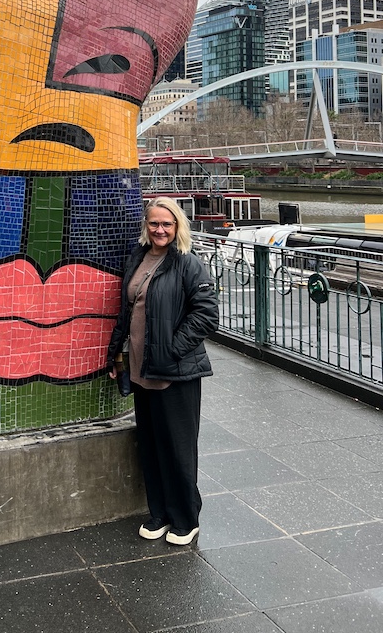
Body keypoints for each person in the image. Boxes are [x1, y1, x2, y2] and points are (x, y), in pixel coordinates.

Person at [107, 196, 218, 546]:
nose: (160, 230)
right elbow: (128, 311)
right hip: (141, 369)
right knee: (152, 445)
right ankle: (160, 513)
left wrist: (172, 349)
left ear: (177, 227)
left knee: (178, 447)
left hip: (174, 372)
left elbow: (207, 314)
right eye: (154, 223)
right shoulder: (139, 258)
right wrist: (116, 355)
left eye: (166, 224)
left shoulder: (188, 263)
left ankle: (186, 517)